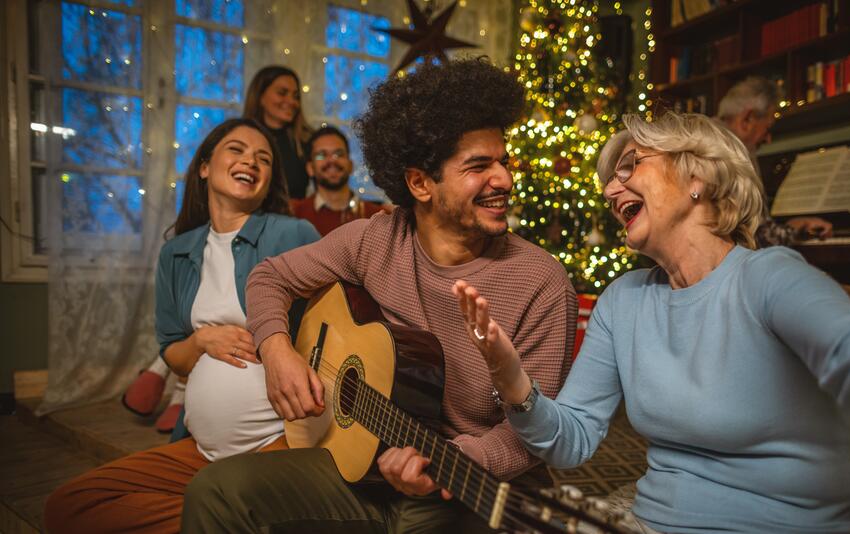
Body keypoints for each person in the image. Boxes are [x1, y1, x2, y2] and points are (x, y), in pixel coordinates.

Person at [453, 111, 850, 534]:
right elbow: (572, 440)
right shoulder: (622, 300)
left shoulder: (770, 277)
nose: (608, 189)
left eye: (631, 166)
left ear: (699, 178)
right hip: (650, 520)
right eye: (609, 177)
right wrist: (511, 377)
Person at [180, 58, 577, 533]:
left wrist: (455, 459)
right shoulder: (376, 239)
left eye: (504, 162)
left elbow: (534, 433)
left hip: (464, 484)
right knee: (213, 491)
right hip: (358, 458)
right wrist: (277, 349)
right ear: (419, 183)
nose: (505, 180)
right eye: (479, 166)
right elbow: (269, 278)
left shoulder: (542, 283)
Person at [44, 118, 320, 534]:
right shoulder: (177, 253)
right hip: (202, 450)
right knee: (71, 507)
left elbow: (337, 319)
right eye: (237, 150)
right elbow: (173, 355)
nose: (251, 161)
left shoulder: (292, 233)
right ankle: (229, 524)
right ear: (205, 166)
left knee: (219, 501)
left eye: (264, 158)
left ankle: (227, 518)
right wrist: (204, 339)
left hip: (279, 444)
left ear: (268, 181)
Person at [718, 76, 850, 319]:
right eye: (768, 127)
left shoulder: (707, 140)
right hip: (741, 281)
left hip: (733, 276)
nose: (768, 138)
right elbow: (757, 237)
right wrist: (792, 230)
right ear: (747, 118)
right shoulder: (733, 153)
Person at [291, 124, 386, 236]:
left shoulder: (378, 216)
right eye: (321, 155)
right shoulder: (294, 213)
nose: (331, 161)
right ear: (310, 168)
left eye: (339, 154)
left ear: (350, 165)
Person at [244, 65, 312, 199]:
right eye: (282, 93)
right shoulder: (241, 138)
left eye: (296, 96)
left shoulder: (307, 140)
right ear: (260, 96)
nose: (291, 101)